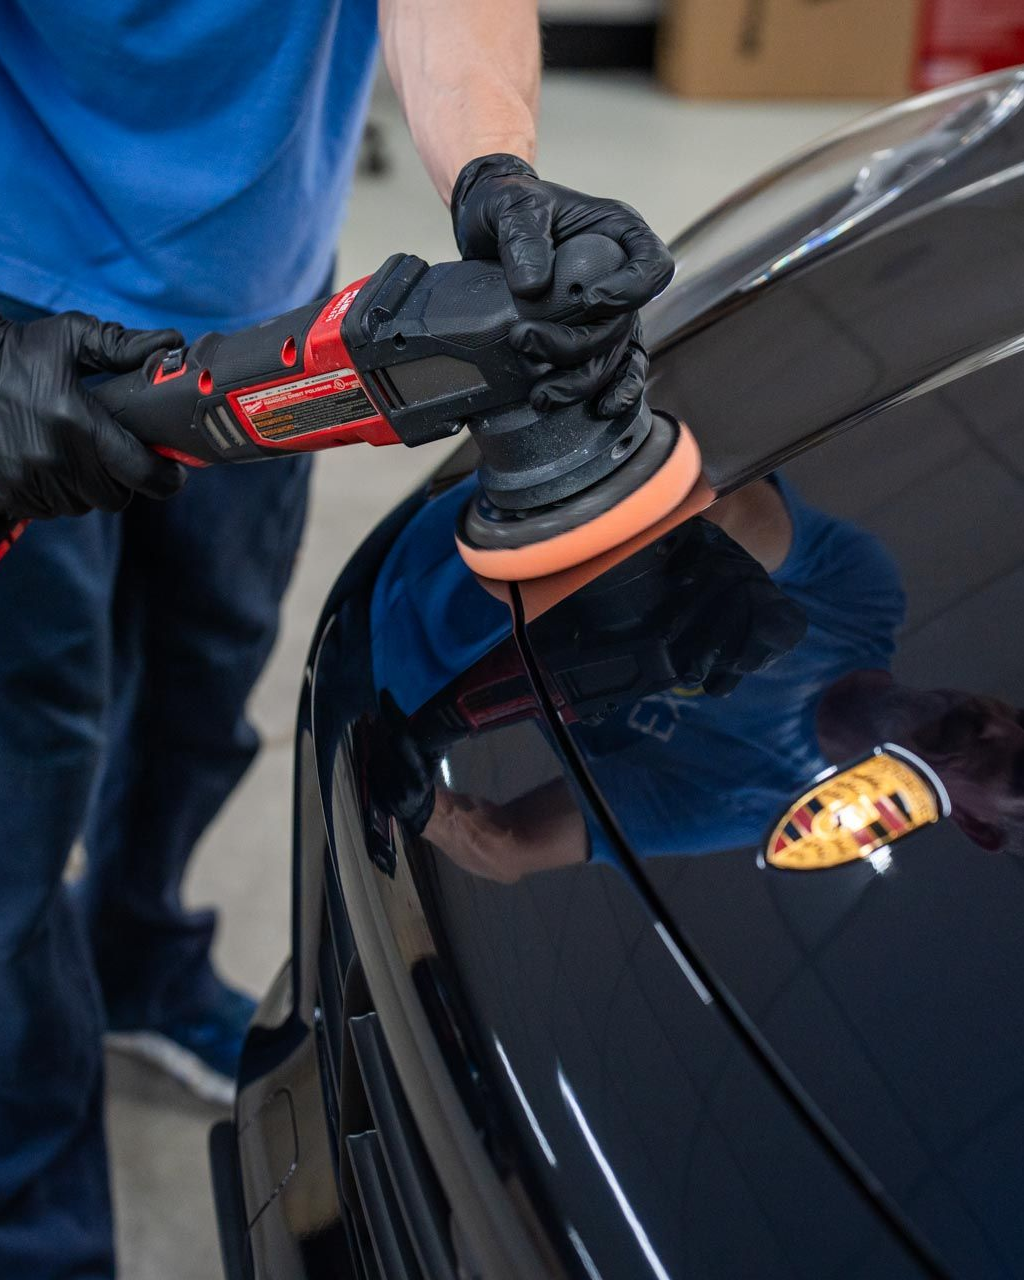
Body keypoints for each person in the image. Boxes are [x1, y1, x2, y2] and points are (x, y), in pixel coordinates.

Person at [0, 3, 674, 1277]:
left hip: (261, 303)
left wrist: (495, 172)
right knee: (19, 797)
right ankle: (36, 1221)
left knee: (207, 691)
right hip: (21, 311)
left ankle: (139, 951)